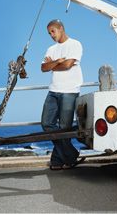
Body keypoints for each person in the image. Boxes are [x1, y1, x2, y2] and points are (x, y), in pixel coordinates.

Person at [41, 19, 83, 170]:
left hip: (70, 91)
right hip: (53, 91)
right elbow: (43, 68)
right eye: (49, 33)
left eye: (53, 31)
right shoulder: (51, 49)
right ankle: (70, 154)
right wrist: (57, 62)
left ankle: (57, 160)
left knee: (64, 128)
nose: (51, 35)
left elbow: (67, 65)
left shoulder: (75, 44)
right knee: (46, 123)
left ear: (61, 28)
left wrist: (54, 65)